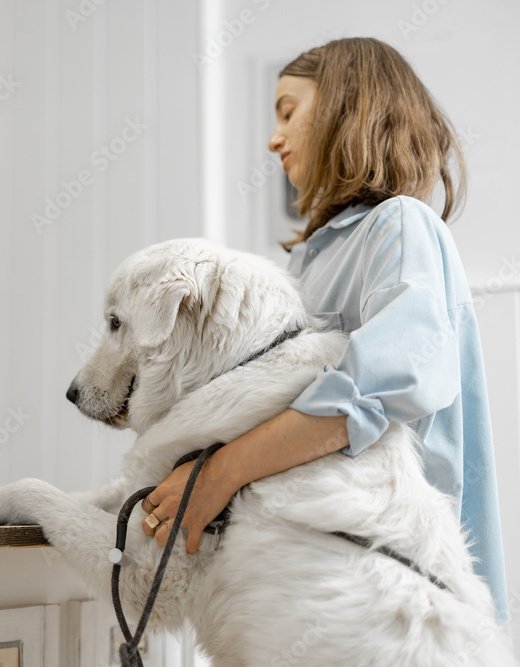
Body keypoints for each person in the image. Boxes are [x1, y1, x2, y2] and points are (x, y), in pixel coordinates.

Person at [140, 37, 511, 627]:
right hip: (316, 588)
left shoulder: (400, 227)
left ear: (346, 105)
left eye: (288, 111)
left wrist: (223, 472)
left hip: (400, 597)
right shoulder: (306, 264)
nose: (273, 138)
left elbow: (389, 386)